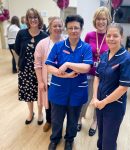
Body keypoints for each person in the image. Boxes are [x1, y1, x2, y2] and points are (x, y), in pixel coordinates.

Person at [45, 15, 93, 150]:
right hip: (59, 89)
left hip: (77, 91)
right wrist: (64, 75)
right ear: (66, 29)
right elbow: (49, 66)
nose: (73, 30)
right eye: (70, 28)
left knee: (73, 119)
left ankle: (69, 140)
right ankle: (54, 139)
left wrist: (67, 64)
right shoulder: (58, 46)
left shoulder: (86, 48)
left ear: (81, 29)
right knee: (56, 119)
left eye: (76, 28)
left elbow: (86, 68)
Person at [91, 23, 130, 150]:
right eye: (108, 35)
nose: (111, 38)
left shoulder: (127, 59)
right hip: (99, 103)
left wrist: (104, 102)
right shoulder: (104, 55)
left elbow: (123, 87)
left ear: (121, 37)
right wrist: (95, 98)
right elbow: (97, 77)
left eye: (115, 36)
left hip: (114, 106)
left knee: (109, 140)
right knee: (101, 135)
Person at [77, 6, 112, 136]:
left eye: (103, 19)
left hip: (104, 76)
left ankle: (95, 121)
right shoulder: (89, 35)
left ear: (108, 20)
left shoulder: (111, 36)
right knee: (84, 98)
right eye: (98, 19)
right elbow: (83, 54)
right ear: (94, 20)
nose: (101, 21)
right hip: (88, 74)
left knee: (99, 99)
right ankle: (79, 119)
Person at [15, 8, 48, 125]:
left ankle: (39, 113)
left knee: (39, 92)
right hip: (25, 69)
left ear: (39, 19)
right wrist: (17, 65)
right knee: (27, 93)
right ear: (27, 20)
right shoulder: (21, 33)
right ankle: (30, 112)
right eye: (30, 17)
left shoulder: (44, 36)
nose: (33, 20)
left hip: (39, 71)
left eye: (35, 17)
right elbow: (16, 51)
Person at [34, 17, 64, 132]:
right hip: (48, 80)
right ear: (50, 28)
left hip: (62, 81)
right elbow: (37, 65)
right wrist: (41, 81)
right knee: (49, 103)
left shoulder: (66, 42)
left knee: (60, 105)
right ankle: (49, 121)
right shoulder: (42, 44)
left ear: (63, 27)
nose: (57, 28)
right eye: (54, 26)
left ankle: (59, 123)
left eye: (59, 26)